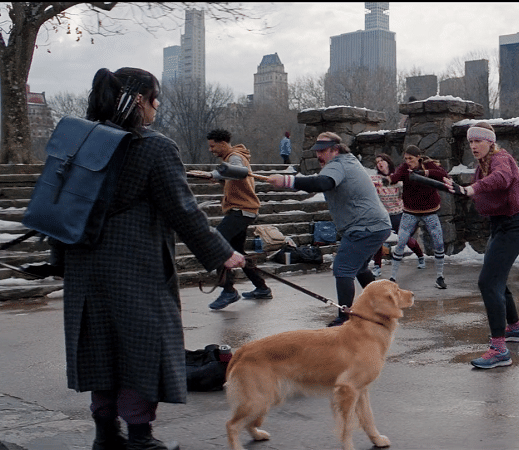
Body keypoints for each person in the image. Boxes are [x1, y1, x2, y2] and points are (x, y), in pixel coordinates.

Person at [61, 67, 244, 450]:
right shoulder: (153, 146)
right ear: (140, 99)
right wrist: (222, 254)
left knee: (101, 348)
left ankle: (105, 436)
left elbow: (59, 201)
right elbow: (183, 210)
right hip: (136, 268)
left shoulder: (77, 141)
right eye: (155, 98)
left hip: (84, 267)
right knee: (143, 350)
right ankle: (141, 440)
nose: (157, 108)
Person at [262, 132, 391, 327]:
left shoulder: (338, 164)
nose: (319, 155)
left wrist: (288, 181)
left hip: (364, 227)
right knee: (360, 268)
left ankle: (344, 318)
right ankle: (381, 307)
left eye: (323, 151)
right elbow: (321, 181)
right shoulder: (348, 162)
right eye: (317, 151)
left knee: (343, 269)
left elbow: (323, 183)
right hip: (376, 225)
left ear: (335, 150)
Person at [445, 122, 519, 369]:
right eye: (470, 141)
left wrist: (471, 188)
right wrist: (460, 190)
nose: (473, 145)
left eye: (478, 141)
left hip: (513, 228)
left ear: (490, 142)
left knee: (488, 282)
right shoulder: (482, 164)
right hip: (501, 227)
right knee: (497, 280)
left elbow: (502, 179)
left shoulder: (500, 158)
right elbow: (484, 192)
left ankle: (499, 349)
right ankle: (514, 329)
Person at [186, 129, 273, 310]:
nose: (211, 150)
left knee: (217, 244)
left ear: (223, 143)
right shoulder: (230, 158)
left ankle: (228, 290)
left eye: (212, 146)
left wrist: (214, 174)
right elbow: (231, 174)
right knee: (236, 251)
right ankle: (261, 288)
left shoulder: (235, 156)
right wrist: (214, 176)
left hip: (242, 210)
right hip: (241, 210)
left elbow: (236, 170)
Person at [387, 145, 448, 289]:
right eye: (406, 158)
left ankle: (440, 276)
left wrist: (424, 172)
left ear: (418, 158)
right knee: (401, 241)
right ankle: (392, 278)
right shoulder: (404, 168)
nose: (408, 161)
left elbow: (443, 174)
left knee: (438, 242)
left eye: (411, 158)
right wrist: (388, 178)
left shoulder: (428, 165)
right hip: (410, 212)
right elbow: (395, 178)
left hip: (430, 210)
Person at [370, 153, 425, 277]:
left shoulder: (398, 177)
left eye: (382, 160)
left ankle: (421, 257)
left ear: (388, 162)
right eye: (377, 162)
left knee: (405, 239)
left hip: (397, 213)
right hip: (382, 215)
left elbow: (407, 193)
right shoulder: (374, 179)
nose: (379, 163)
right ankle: (377, 266)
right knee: (378, 240)